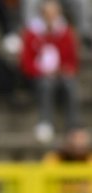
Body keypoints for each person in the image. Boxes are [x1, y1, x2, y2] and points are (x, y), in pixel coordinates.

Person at [19, 0, 81, 143]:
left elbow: (72, 61)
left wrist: (64, 70)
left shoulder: (66, 32)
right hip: (38, 76)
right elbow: (26, 61)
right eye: (48, 14)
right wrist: (41, 71)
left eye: (54, 14)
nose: (51, 17)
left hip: (60, 74)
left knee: (70, 84)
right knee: (46, 84)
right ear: (42, 15)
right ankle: (45, 122)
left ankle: (73, 125)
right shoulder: (32, 32)